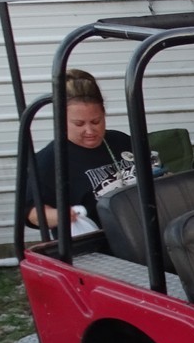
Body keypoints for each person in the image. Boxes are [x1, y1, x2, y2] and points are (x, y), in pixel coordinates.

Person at [28, 69, 133, 230]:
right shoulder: (48, 161)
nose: (90, 131)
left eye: (96, 121)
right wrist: (60, 215)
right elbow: (31, 213)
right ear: (61, 120)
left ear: (104, 114)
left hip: (138, 230)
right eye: (79, 124)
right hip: (96, 244)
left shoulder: (121, 141)